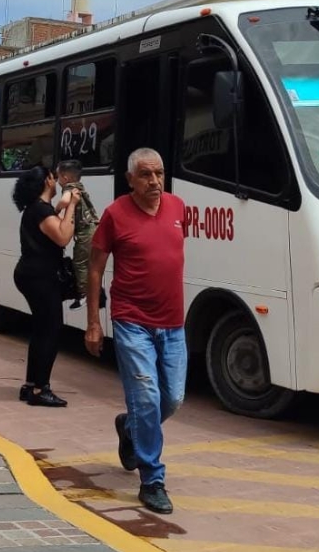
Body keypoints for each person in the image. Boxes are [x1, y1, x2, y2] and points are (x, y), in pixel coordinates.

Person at [85, 147, 187, 515]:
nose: (155, 181)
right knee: (147, 398)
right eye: (145, 175)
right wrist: (94, 322)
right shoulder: (115, 215)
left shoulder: (178, 208)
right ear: (130, 180)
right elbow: (95, 268)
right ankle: (152, 479)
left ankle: (130, 428)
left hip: (173, 323)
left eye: (159, 173)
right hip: (131, 321)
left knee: (171, 399)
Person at [11, 165, 79, 408]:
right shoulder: (40, 211)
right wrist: (72, 206)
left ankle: (31, 385)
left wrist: (63, 205)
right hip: (40, 277)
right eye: (53, 177)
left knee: (40, 330)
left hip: (31, 274)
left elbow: (53, 219)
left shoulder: (38, 209)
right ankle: (41, 389)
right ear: (47, 182)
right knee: (50, 330)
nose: (56, 179)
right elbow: (62, 236)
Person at [56, 160, 100, 311]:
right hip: (94, 228)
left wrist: (56, 209)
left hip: (85, 232)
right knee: (90, 263)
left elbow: (64, 201)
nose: (57, 181)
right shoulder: (80, 186)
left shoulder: (68, 188)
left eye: (58, 177)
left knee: (80, 263)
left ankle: (83, 294)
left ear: (65, 178)